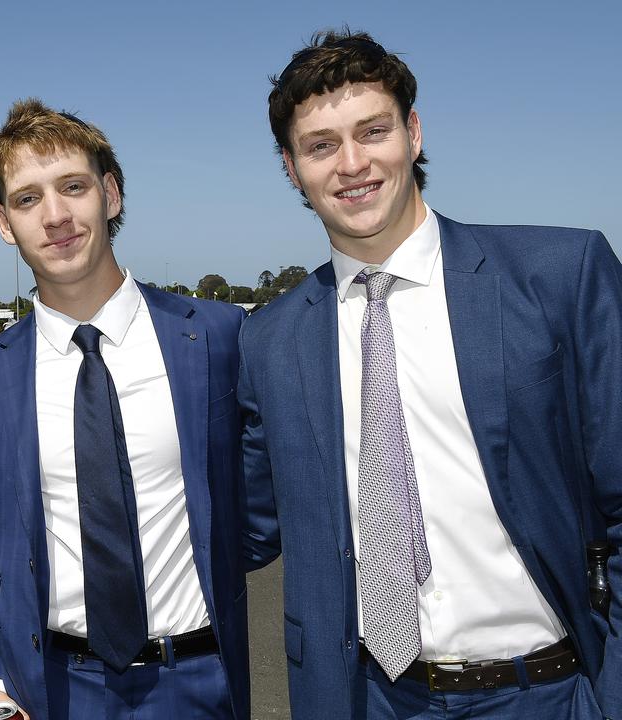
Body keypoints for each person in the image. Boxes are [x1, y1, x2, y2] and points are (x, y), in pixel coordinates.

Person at [239, 29, 621, 720]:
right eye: (320, 146)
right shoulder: (270, 340)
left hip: (549, 691)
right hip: (368, 698)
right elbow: (243, 523)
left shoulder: (560, 276)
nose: (351, 163)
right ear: (293, 170)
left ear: (412, 133)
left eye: (372, 131)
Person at [0, 99, 250, 720]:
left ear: (110, 194)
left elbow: (262, 504)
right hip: (51, 687)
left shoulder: (216, 337)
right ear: (4, 222)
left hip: (197, 681)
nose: (56, 216)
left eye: (73, 187)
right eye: (28, 198)